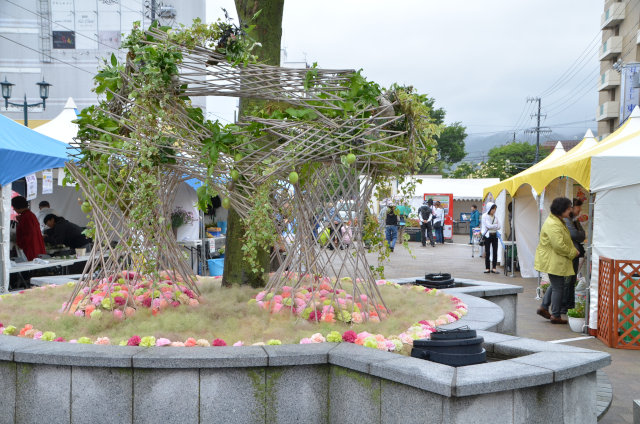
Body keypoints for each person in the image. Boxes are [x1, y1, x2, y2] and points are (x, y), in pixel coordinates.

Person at [534, 197, 579, 324]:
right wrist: (573, 253)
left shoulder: (556, 221)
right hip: (554, 259)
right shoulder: (553, 224)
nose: (570, 210)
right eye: (569, 208)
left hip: (554, 259)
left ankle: (544, 307)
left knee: (555, 285)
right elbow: (558, 245)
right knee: (558, 287)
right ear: (562, 209)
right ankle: (555, 315)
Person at [11, 196, 46, 261]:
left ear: (17, 207)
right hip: (36, 246)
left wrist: (20, 243)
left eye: (14, 208)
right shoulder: (30, 215)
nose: (14, 210)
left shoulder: (25, 217)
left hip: (31, 248)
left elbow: (28, 235)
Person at [481, 202, 501, 274]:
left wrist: (494, 226)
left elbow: (499, 226)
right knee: (488, 252)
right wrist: (495, 225)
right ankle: (487, 268)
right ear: (489, 209)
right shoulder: (484, 216)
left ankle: (494, 268)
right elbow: (488, 225)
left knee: (495, 252)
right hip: (487, 236)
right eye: (493, 209)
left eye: (495, 209)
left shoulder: (496, 217)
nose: (494, 210)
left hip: (494, 235)